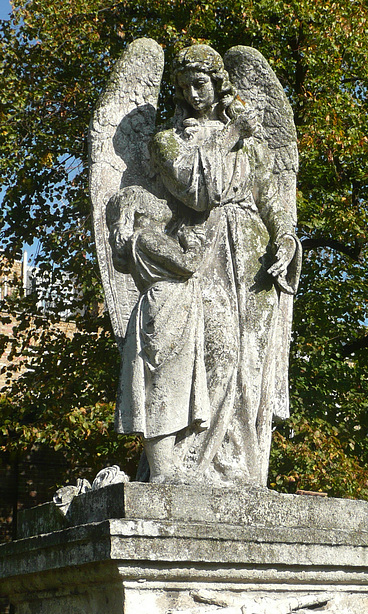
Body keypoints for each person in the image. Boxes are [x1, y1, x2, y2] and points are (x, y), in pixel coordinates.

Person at [113, 44, 300, 486]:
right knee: (215, 352)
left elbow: (272, 196)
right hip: (203, 253)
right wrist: (233, 134)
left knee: (250, 360)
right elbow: (200, 193)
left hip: (254, 258)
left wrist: (288, 238)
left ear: (219, 85)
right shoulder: (168, 142)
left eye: (201, 84)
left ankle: (244, 472)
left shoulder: (251, 145)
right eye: (184, 88)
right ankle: (194, 467)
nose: (193, 94)